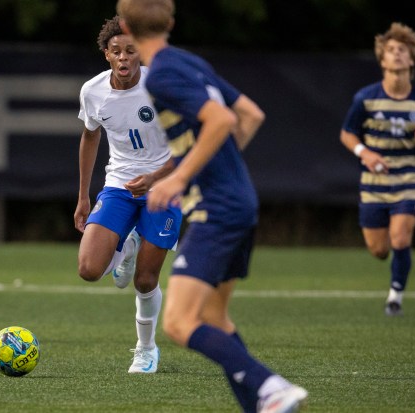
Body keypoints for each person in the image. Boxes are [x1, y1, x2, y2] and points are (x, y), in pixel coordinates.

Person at [116, 0, 308, 411]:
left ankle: (271, 387)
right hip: (241, 201)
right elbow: (251, 115)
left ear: (126, 29)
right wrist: (215, 166)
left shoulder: (164, 75)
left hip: (216, 210)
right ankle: (261, 404)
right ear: (170, 22)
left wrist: (182, 177)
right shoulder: (187, 60)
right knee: (217, 321)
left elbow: (222, 121)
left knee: (180, 323)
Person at [74, 16, 182, 373]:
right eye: (116, 51)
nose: (123, 58)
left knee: (145, 280)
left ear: (141, 53)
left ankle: (146, 349)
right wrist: (83, 196)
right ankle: (128, 245)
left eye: (131, 51)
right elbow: (90, 136)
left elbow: (189, 145)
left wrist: (155, 177)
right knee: (89, 270)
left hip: (164, 188)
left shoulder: (161, 86)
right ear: (106, 54)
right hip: (119, 186)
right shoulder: (93, 91)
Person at [340, 22, 415, 317]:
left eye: (401, 50)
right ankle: (393, 267)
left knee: (401, 238)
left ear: (411, 59)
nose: (395, 55)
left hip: (409, 179)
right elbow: (347, 133)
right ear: (382, 60)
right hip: (374, 182)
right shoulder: (365, 98)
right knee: (379, 249)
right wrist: (363, 152)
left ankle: (395, 297)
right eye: (390, 50)